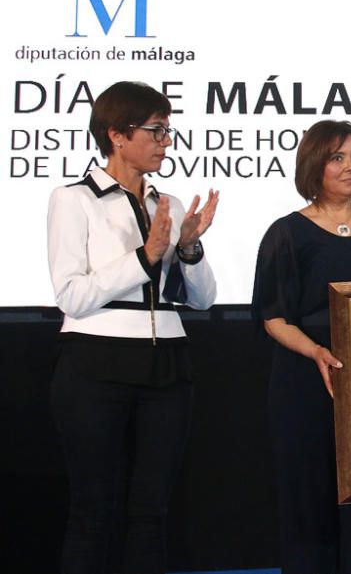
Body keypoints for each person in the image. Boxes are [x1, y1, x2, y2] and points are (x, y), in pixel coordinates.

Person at [47, 80, 219, 574]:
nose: (166, 142)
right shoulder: (73, 199)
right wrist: (143, 257)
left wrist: (188, 248)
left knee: (152, 513)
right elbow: (72, 296)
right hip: (94, 362)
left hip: (167, 364)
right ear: (116, 135)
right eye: (156, 130)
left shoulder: (168, 204)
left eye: (168, 131)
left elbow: (203, 300)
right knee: (91, 510)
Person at [251, 120, 351, 574]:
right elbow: (273, 317)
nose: (350, 167)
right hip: (304, 384)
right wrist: (317, 352)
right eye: (338, 157)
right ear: (314, 163)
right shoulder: (287, 233)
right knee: (307, 503)